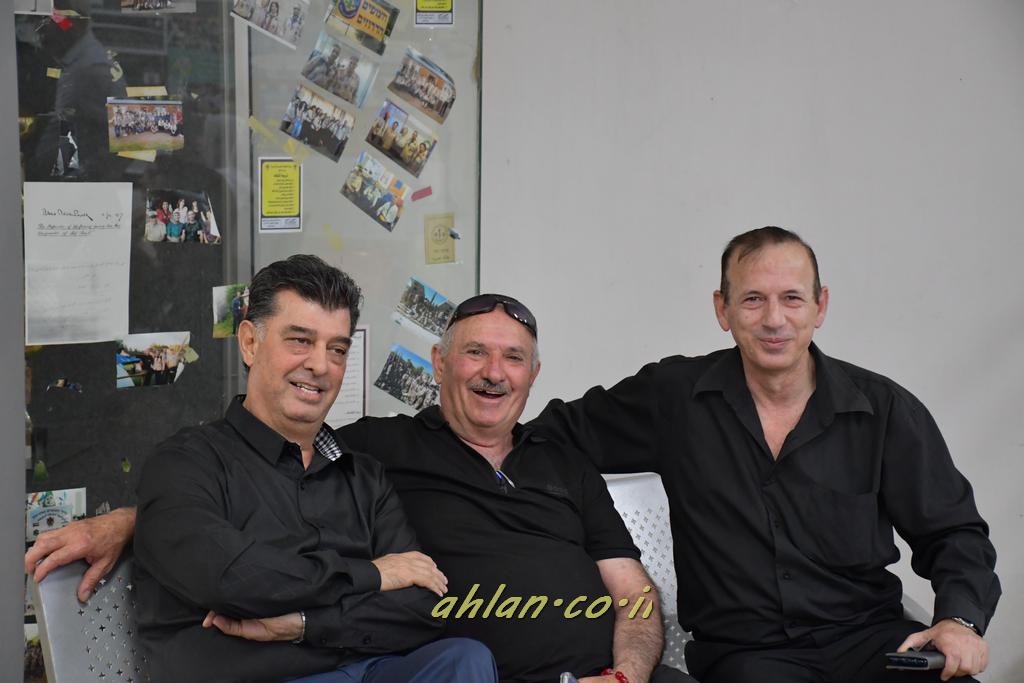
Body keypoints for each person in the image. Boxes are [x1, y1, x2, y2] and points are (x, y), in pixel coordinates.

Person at [26, 289, 692, 683]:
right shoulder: (381, 448)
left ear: (533, 373)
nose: (494, 373)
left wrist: (625, 674)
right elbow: (267, 465)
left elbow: (634, 594)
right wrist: (130, 519)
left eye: (513, 357)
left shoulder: (566, 462)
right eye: (475, 353)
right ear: (439, 364)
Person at [534, 227, 1000, 683]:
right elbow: (545, 436)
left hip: (870, 641)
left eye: (792, 298)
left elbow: (953, 532)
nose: (774, 319)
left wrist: (960, 621)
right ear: (723, 309)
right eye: (753, 299)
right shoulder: (673, 398)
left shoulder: (883, 410)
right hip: (748, 655)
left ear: (820, 306)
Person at [136, 255, 497, 682]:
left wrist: (307, 624)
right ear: (249, 342)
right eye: (300, 341)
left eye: (337, 349)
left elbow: (422, 607)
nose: (320, 365)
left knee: (463, 659)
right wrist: (372, 574)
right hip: (254, 677)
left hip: (365, 670)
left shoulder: (364, 477)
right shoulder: (185, 463)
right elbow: (231, 579)